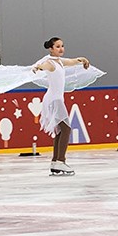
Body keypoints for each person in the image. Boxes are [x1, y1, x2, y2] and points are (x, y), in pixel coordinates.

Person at [31, 38, 91, 176]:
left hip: (55, 99)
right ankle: (61, 161)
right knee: (66, 129)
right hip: (54, 100)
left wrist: (81, 59)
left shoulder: (59, 61)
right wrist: (37, 67)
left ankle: (55, 162)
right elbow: (43, 65)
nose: (61, 49)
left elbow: (71, 61)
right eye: (57, 47)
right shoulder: (50, 62)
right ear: (51, 49)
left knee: (60, 130)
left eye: (62, 46)